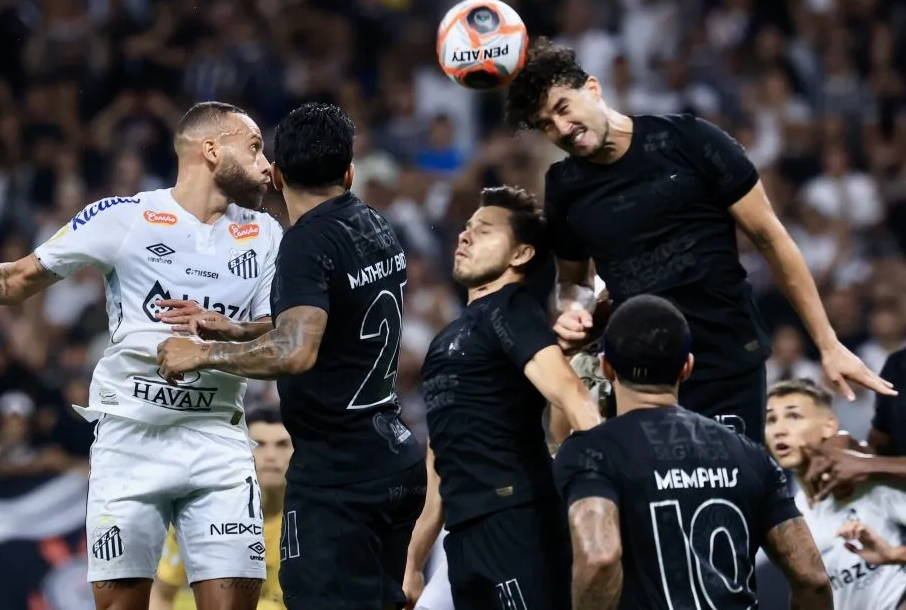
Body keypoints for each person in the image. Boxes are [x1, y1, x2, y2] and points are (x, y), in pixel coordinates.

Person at [0, 101, 280, 610]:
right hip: (131, 440)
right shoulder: (122, 217)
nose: (266, 164)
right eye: (254, 147)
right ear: (211, 150)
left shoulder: (265, 234)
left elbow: (278, 330)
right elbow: (15, 280)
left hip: (218, 437)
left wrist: (224, 332)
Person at [504, 38, 895, 442]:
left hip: (727, 359)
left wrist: (827, 343)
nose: (562, 129)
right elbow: (574, 281)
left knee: (732, 498)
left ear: (593, 88)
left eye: (563, 108)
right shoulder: (564, 186)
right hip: (640, 374)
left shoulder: (689, 140)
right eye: (546, 125)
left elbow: (770, 239)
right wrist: (575, 311)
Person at [157, 102, 426, 610]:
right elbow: (329, 321)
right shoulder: (373, 224)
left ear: (277, 176)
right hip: (391, 456)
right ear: (348, 171)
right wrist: (240, 330)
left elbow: (297, 351)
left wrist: (202, 354)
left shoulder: (306, 242)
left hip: (338, 477)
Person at [555, 295, 833, 610]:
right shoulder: (749, 453)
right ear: (687, 367)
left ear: (606, 367)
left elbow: (599, 558)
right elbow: (813, 578)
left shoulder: (591, 451)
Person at [401, 185, 602, 610]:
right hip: (464, 534)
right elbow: (440, 462)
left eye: (485, 230)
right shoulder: (449, 338)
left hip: (517, 523)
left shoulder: (511, 310)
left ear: (521, 255)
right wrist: (413, 562)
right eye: (466, 228)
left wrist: (611, 496)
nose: (465, 236)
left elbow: (573, 396)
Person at [764, 378, 906, 609]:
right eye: (771, 419)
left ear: (829, 426)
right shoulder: (794, 513)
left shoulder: (870, 484)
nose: (779, 430)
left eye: (794, 416)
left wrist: (894, 554)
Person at [152, 407, 292, 610]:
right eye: (259, 444)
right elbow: (161, 595)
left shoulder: (313, 520)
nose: (270, 455)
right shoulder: (201, 514)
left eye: (282, 445)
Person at [799, 345, 906, 501]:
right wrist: (847, 446)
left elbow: (874, 462)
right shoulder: (897, 364)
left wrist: (868, 465)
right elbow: (881, 447)